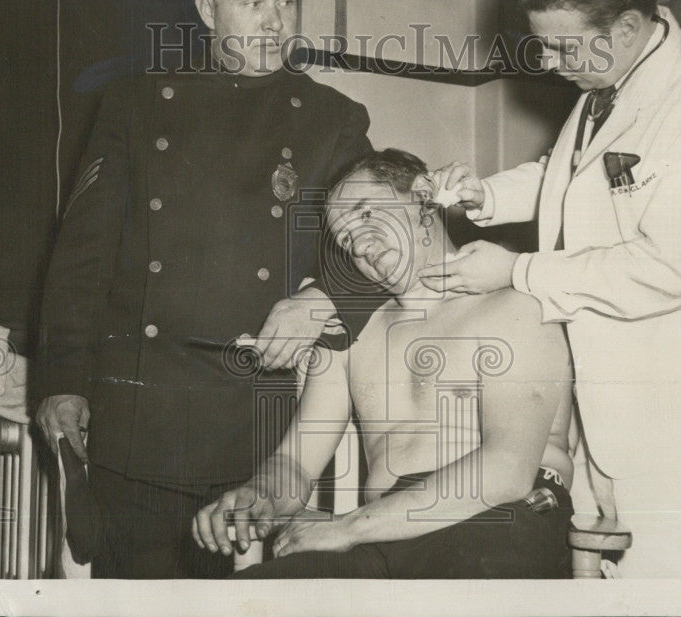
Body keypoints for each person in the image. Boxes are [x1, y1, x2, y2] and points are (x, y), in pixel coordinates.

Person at [421, 0, 681, 578]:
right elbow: (572, 179)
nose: (549, 64)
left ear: (629, 28)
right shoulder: (608, 81)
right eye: (542, 45)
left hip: (679, 430)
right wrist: (482, 197)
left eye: (563, 48)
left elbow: (668, 268)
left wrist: (517, 269)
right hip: (606, 417)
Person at [34, 0, 373, 578]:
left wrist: (324, 299)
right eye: (252, 4)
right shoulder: (133, 104)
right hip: (144, 423)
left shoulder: (334, 119)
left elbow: (385, 240)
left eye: (285, 3)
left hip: (260, 429)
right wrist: (62, 380)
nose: (275, 24)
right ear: (206, 11)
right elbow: (82, 258)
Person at [193, 149, 575, 578]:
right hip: (384, 531)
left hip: (498, 520)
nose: (360, 244)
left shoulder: (515, 306)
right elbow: (297, 463)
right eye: (345, 239)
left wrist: (348, 527)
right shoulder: (351, 336)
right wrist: (258, 494)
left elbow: (507, 470)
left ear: (423, 198)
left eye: (368, 214)